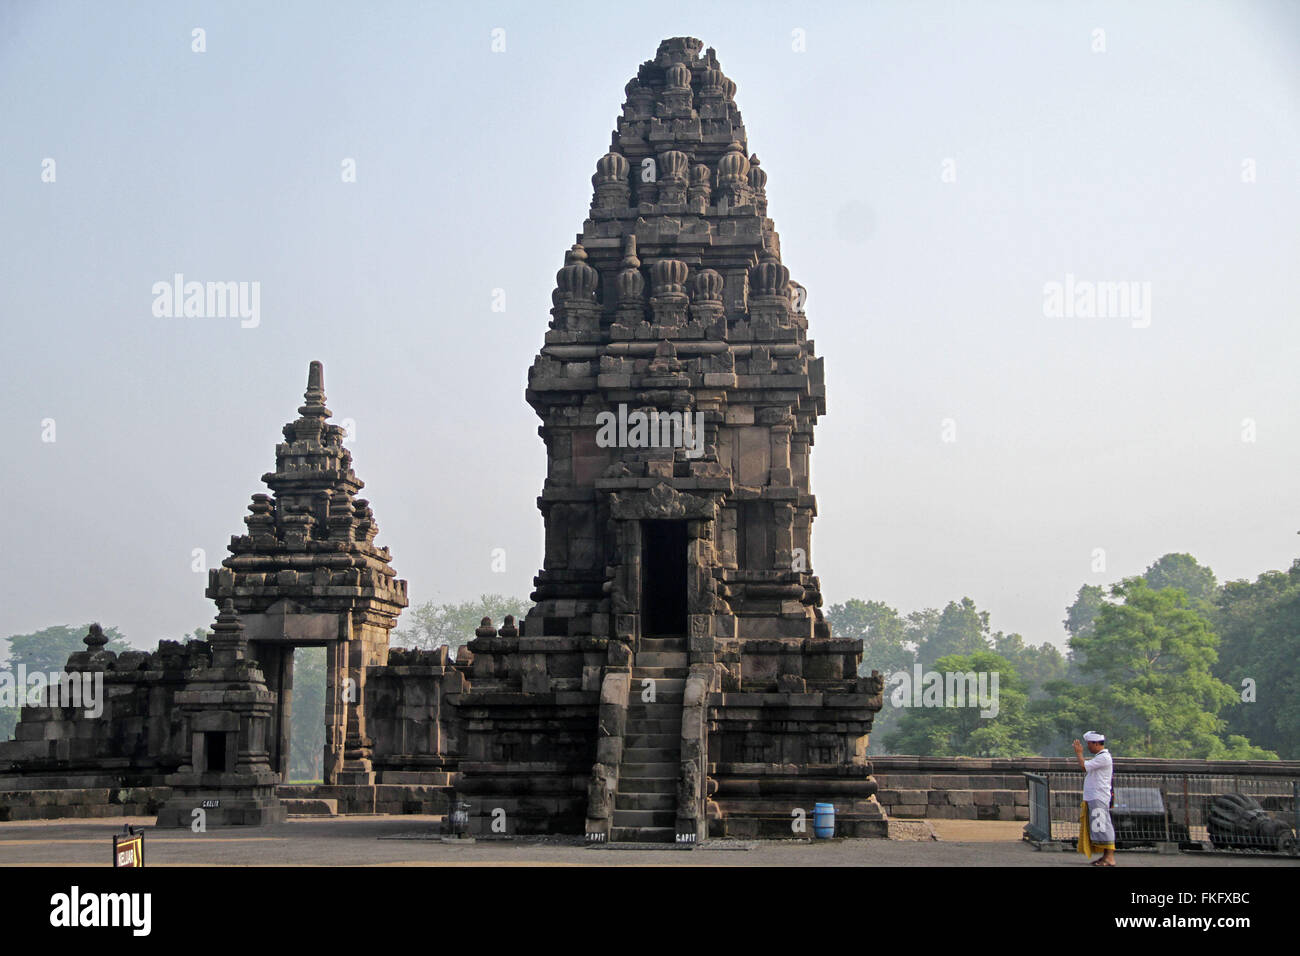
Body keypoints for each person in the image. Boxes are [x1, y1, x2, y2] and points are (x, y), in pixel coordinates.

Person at [1073, 731, 1115, 866]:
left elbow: (1083, 766)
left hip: (1099, 796)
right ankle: (1105, 856)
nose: (1088, 747)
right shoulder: (1100, 757)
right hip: (1094, 796)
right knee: (1099, 827)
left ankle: (1109, 857)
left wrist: (1079, 753)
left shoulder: (1104, 757)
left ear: (1096, 743)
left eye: (1089, 744)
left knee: (1103, 826)